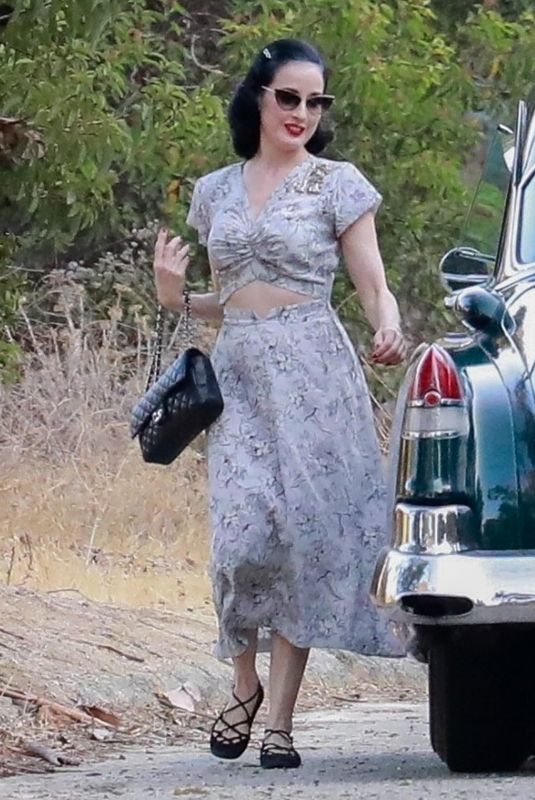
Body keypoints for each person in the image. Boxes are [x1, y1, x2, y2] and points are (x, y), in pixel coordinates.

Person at [152, 38, 407, 770]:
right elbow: (227, 300)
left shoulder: (337, 184)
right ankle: (244, 684)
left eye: (314, 101)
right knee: (240, 542)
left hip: (313, 372)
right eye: (288, 97)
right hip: (239, 378)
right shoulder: (215, 192)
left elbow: (371, 284)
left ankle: (281, 723)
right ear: (258, 98)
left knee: (299, 542)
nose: (301, 112)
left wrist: (387, 325)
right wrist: (175, 298)